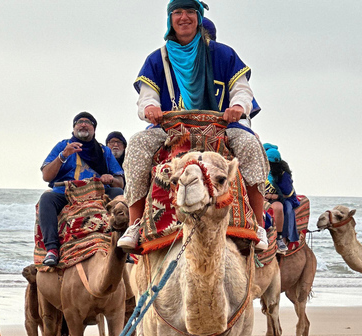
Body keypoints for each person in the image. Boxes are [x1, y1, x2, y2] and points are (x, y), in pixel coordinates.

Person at [117, 0, 269, 251]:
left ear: (198, 17)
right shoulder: (157, 59)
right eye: (177, 12)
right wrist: (150, 109)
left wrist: (239, 107)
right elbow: (146, 98)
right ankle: (135, 225)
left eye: (189, 12)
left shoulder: (223, 54)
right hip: (171, 128)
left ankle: (258, 224)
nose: (183, 17)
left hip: (219, 126)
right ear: (170, 19)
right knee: (136, 145)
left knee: (250, 144)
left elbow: (242, 90)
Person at [39, 112, 125, 266]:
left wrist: (111, 179)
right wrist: (63, 156)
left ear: (94, 129)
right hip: (67, 193)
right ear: (73, 128)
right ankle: (52, 249)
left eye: (88, 122)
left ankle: (121, 243)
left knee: (118, 194)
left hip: (97, 193)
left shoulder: (104, 151)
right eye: (79, 122)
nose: (84, 124)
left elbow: (120, 182)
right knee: (46, 199)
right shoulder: (62, 146)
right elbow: (46, 175)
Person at [263, 143, 300, 254]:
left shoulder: (283, 174)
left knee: (286, 209)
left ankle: (282, 238)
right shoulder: (261, 169)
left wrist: (273, 196)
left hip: (283, 197)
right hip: (264, 195)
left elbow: (287, 193)